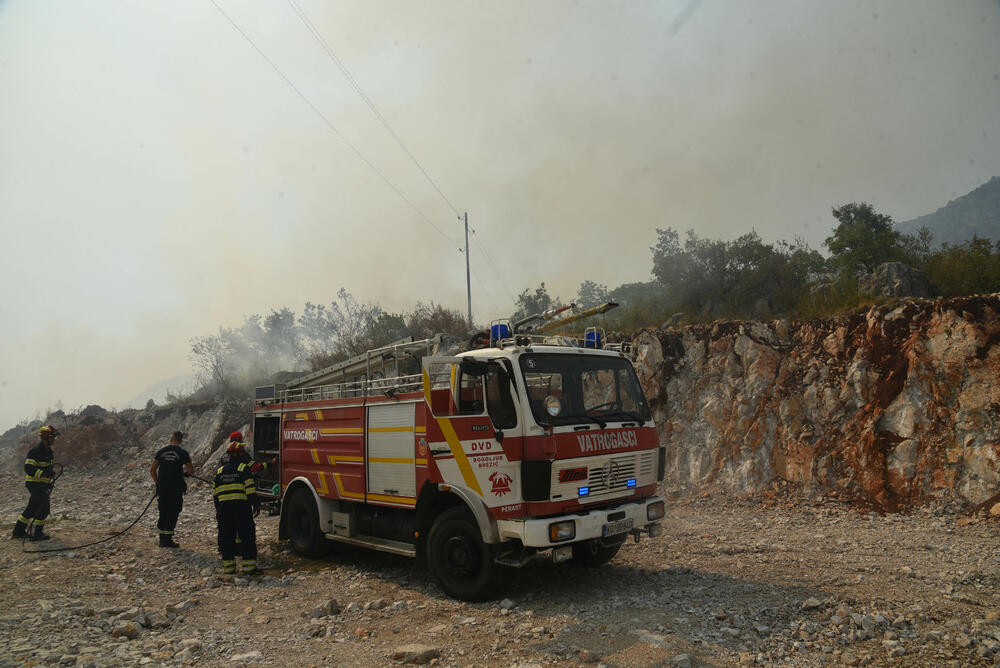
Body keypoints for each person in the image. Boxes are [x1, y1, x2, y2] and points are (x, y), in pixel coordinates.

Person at [213, 440, 260, 575]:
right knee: (247, 537)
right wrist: (256, 505)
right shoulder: (244, 469)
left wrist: (218, 510)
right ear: (240, 454)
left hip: (224, 510)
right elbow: (250, 491)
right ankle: (249, 568)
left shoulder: (220, 471)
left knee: (226, 538)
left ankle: (229, 568)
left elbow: (215, 494)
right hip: (241, 509)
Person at [12, 425, 60, 541]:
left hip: (42, 485)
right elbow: (28, 468)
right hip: (35, 485)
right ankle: (36, 534)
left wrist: (49, 477)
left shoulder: (49, 452)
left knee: (32, 509)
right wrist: (43, 474)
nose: (54, 439)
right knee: (43, 509)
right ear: (45, 438)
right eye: (52, 437)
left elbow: (46, 469)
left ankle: (18, 532)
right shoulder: (35, 451)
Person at [150, 431, 194, 548]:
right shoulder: (183, 453)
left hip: (163, 488)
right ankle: (168, 540)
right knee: (173, 512)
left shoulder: (161, 452)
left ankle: (162, 539)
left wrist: (158, 483)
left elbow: (152, 470)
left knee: (163, 511)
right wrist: (184, 474)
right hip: (175, 488)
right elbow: (191, 471)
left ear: (171, 439)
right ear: (181, 441)